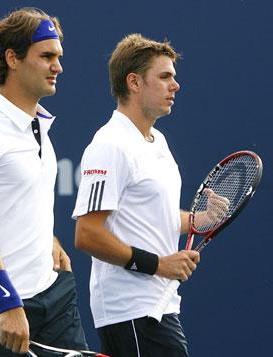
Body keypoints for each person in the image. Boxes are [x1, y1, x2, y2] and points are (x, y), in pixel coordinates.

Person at [0, 7, 87, 356]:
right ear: (13, 58)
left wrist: (47, 239)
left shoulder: (38, 125)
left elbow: (21, 201)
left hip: (52, 296)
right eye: (47, 56)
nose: (58, 67)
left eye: (59, 57)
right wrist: (8, 302)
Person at [72, 34, 200, 357]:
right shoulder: (110, 145)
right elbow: (87, 234)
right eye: (165, 77)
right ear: (134, 82)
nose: (176, 85)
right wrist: (159, 265)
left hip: (160, 306)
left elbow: (152, 217)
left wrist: (198, 219)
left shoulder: (157, 142)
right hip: (129, 311)